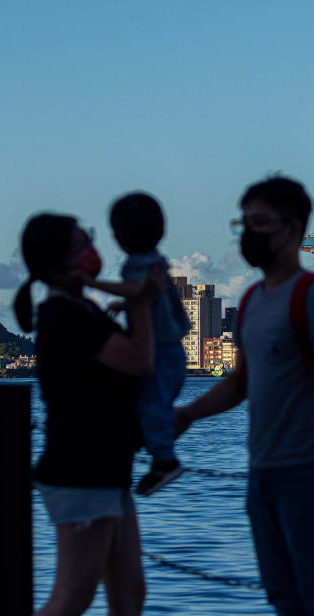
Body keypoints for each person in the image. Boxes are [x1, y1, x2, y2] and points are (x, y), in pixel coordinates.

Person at [176, 176, 314, 616]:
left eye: (260, 222)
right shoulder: (251, 301)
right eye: (244, 223)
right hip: (263, 471)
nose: (249, 233)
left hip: (311, 471)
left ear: (293, 229)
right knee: (282, 595)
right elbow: (239, 383)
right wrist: (187, 415)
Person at [14, 213, 157, 616]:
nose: (92, 251)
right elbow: (140, 361)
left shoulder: (80, 309)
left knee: (130, 593)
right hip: (81, 470)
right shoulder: (66, 316)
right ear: (59, 264)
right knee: (73, 595)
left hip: (108, 469)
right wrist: (141, 302)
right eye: (81, 244)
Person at [86, 191, 189, 496]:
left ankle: (165, 461)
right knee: (155, 404)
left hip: (158, 352)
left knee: (150, 407)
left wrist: (90, 283)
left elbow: (136, 290)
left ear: (118, 237)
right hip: (172, 350)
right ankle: (157, 456)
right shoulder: (157, 261)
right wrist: (124, 304)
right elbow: (145, 296)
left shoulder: (137, 266)